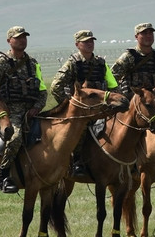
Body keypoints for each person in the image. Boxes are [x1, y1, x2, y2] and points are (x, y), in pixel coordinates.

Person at [0, 26, 47, 194]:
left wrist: (37, 106)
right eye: (18, 38)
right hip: (9, 113)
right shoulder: (1, 61)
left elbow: (42, 89)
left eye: (24, 37)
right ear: (9, 41)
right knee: (15, 136)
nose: (22, 40)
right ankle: (3, 174)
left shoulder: (33, 63)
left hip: (31, 111)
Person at [50, 29, 119, 178]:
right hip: (82, 110)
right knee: (80, 131)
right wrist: (70, 104)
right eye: (85, 41)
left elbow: (113, 86)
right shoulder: (72, 63)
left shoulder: (101, 63)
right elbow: (56, 86)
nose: (90, 44)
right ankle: (77, 162)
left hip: (101, 107)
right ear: (77, 44)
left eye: (91, 41)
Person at [111, 22, 155, 98]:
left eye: (150, 33)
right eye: (144, 33)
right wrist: (122, 96)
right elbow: (112, 78)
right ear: (136, 36)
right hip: (133, 102)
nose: (148, 36)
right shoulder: (129, 57)